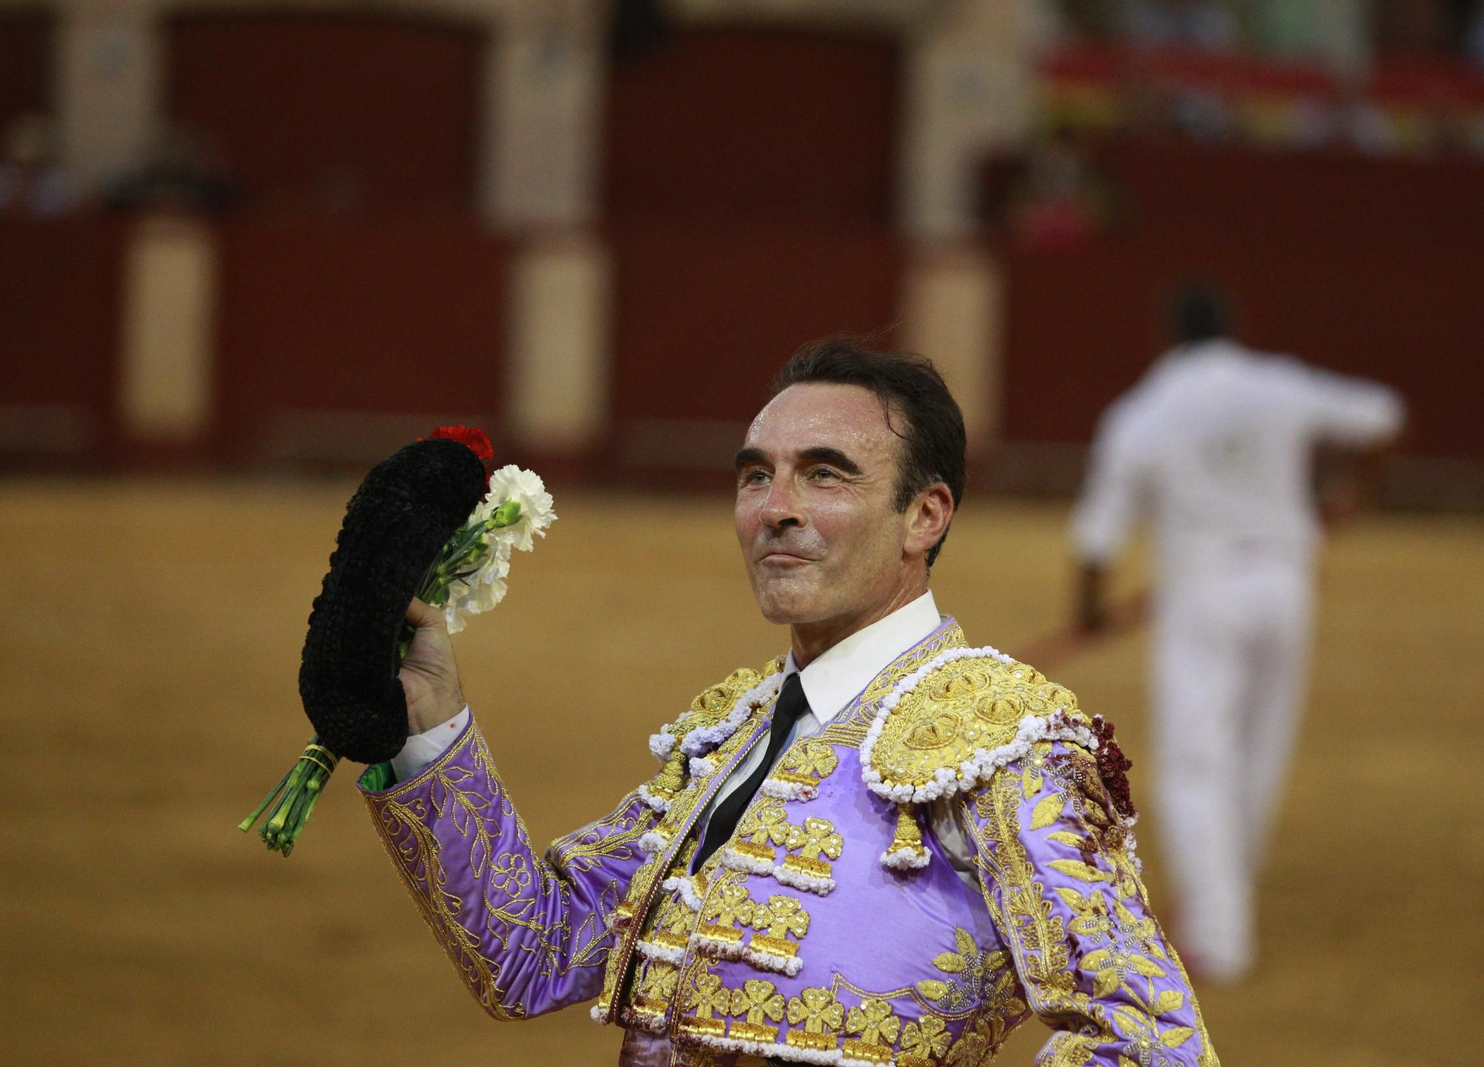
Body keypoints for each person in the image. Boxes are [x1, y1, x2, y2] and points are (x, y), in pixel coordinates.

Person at [363, 338, 1219, 1066]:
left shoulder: (1005, 743)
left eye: (824, 476)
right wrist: (429, 718)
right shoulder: (730, 732)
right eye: (755, 477)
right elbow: (535, 948)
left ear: (925, 515)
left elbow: (1149, 1040)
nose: (775, 510)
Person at [1071, 286, 1405, 983]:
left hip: (1201, 591)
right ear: (1232, 328)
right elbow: (1383, 417)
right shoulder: (1276, 383)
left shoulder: (1145, 411)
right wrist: (1349, 497)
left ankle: (1218, 932)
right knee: (1260, 744)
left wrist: (1091, 609)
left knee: (1198, 760)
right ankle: (1223, 894)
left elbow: (1099, 534)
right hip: (1285, 581)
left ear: (1167, 337)